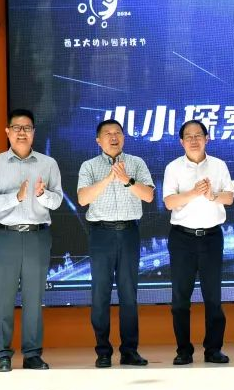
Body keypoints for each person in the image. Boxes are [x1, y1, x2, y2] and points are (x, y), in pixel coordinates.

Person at [0, 109, 63, 372]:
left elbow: (57, 200)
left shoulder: (48, 164)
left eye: (27, 128)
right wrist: (15, 197)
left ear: (33, 132)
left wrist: (41, 195)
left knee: (34, 299)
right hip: (5, 236)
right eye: (16, 128)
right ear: (7, 132)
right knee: (4, 298)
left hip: (38, 236)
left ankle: (32, 354)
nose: (21, 133)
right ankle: (3, 354)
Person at [76, 119, 154, 368]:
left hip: (129, 232)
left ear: (124, 138)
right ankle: (103, 351)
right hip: (101, 234)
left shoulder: (136, 163)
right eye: (107, 133)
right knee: (100, 294)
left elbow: (149, 196)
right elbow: (83, 198)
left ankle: (130, 351)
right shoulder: (89, 166)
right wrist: (109, 178)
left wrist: (127, 180)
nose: (113, 137)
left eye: (118, 133)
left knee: (129, 294)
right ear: (98, 140)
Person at [162, 120, 234, 365]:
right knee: (180, 298)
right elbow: (169, 202)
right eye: (189, 136)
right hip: (182, 238)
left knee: (213, 297)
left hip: (212, 238)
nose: (194, 140)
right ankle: (183, 350)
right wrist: (194, 192)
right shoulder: (173, 168)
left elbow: (229, 198)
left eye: (198, 135)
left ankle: (213, 349)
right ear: (181, 142)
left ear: (207, 139)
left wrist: (212, 195)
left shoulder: (219, 165)